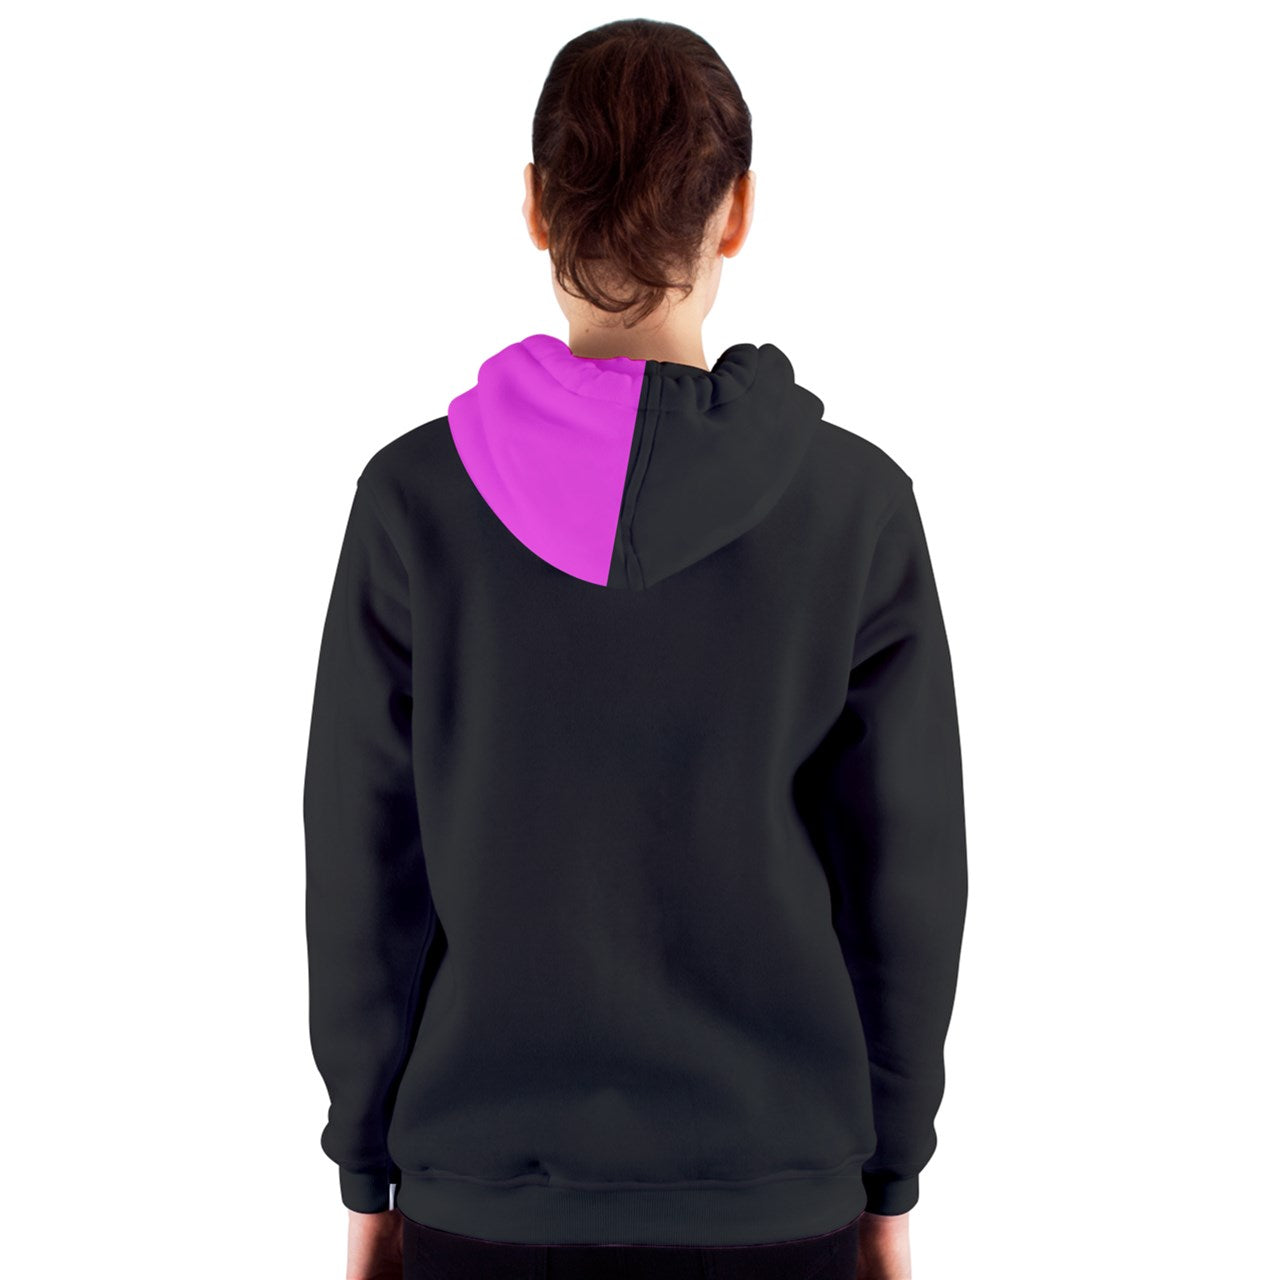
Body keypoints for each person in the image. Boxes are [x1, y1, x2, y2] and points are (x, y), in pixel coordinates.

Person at [303, 18, 968, 1280]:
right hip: (778, 1202)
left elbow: (361, 868)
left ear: (534, 206)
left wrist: (366, 1171)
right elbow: (905, 882)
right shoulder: (856, 508)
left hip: (481, 1206)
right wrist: (888, 1181)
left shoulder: (410, 502)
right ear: (737, 213)